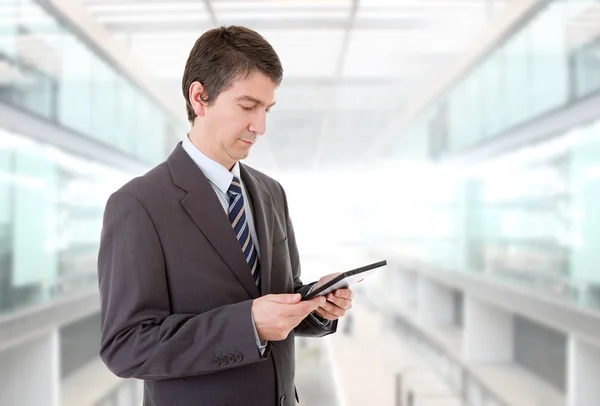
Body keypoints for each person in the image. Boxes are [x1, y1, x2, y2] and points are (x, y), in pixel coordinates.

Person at [97, 25, 353, 406]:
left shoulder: (270, 192)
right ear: (199, 98)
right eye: (248, 107)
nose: (260, 127)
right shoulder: (138, 205)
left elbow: (278, 296)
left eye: (266, 110)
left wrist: (316, 305)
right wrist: (246, 325)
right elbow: (127, 345)